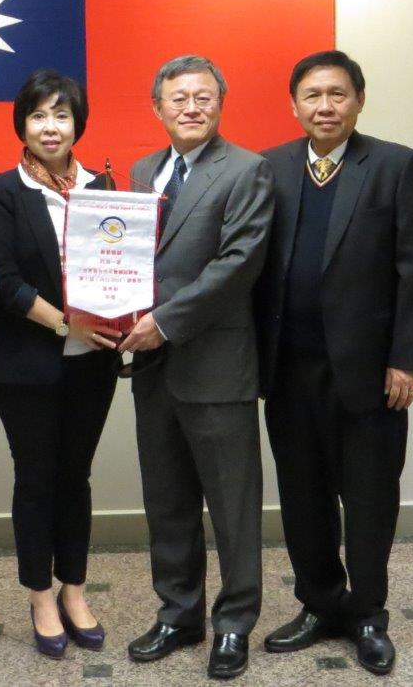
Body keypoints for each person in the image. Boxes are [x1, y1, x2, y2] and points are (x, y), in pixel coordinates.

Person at [255, 50, 413, 676]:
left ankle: (367, 615)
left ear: (359, 100)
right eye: (312, 95)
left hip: (370, 371)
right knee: (302, 496)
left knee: (369, 500)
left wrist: (408, 360)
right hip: (289, 368)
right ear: (294, 105)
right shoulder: (272, 167)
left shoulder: (393, 165)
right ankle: (320, 603)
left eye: (337, 94)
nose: (325, 106)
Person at [120, 55, 274, 681]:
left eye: (203, 97)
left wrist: (163, 322)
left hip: (216, 366)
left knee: (233, 507)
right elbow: (128, 257)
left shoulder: (246, 170)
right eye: (178, 97)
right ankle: (178, 614)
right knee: (167, 501)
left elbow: (237, 265)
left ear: (220, 104)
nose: (191, 107)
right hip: (152, 369)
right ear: (158, 107)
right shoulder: (142, 171)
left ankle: (234, 622)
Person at [0, 70, 121, 659]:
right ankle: (40, 596)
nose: (51, 126)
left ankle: (74, 590)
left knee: (76, 477)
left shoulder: (104, 187)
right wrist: (64, 323)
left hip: (92, 362)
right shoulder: (2, 190)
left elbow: (123, 263)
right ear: (23, 125)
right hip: (23, 365)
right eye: (38, 116)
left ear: (77, 123)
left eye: (61, 115)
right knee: (36, 479)